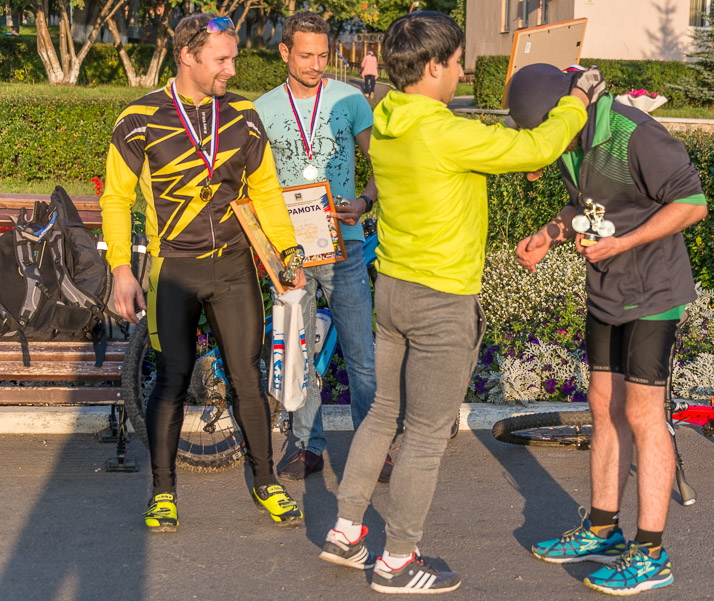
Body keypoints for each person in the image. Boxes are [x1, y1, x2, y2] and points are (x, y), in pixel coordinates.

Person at [317, 12, 593, 594]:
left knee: (381, 414)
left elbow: (480, 148)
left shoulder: (388, 119)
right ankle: (397, 562)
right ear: (436, 66)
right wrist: (577, 100)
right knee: (424, 434)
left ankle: (346, 532)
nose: (464, 69)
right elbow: (540, 142)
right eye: (460, 60)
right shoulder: (442, 131)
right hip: (442, 301)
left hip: (392, 292)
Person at [100, 13, 306, 533]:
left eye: (233, 57)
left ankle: (267, 483)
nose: (233, 70)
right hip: (174, 270)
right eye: (223, 59)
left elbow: (265, 191)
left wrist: (288, 253)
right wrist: (121, 269)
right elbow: (117, 199)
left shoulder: (242, 115)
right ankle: (163, 491)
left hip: (235, 268)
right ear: (188, 56)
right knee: (170, 379)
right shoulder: (139, 118)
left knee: (247, 380)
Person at [507, 63, 708, 596]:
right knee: (602, 404)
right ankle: (601, 528)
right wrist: (551, 232)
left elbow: (692, 203)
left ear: (570, 107)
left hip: (653, 292)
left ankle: (651, 552)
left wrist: (621, 243)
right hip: (607, 290)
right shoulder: (572, 136)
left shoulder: (635, 134)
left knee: (643, 413)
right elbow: (588, 202)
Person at [255, 11, 382, 482]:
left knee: (361, 356)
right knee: (298, 354)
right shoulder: (262, 108)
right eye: (305, 55)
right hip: (291, 256)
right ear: (285, 52)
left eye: (323, 55)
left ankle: (373, 448)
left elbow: (383, 167)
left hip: (345, 247)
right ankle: (306, 444)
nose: (316, 64)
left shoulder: (350, 100)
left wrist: (365, 201)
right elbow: (253, 184)